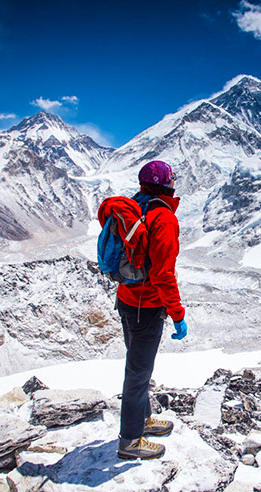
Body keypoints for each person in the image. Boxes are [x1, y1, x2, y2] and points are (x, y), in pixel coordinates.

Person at [115, 160, 187, 460]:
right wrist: (178, 314)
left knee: (137, 368)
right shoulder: (163, 218)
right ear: (165, 184)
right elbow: (163, 274)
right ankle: (130, 441)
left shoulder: (134, 209)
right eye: (172, 179)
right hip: (148, 306)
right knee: (138, 373)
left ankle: (142, 421)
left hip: (127, 300)